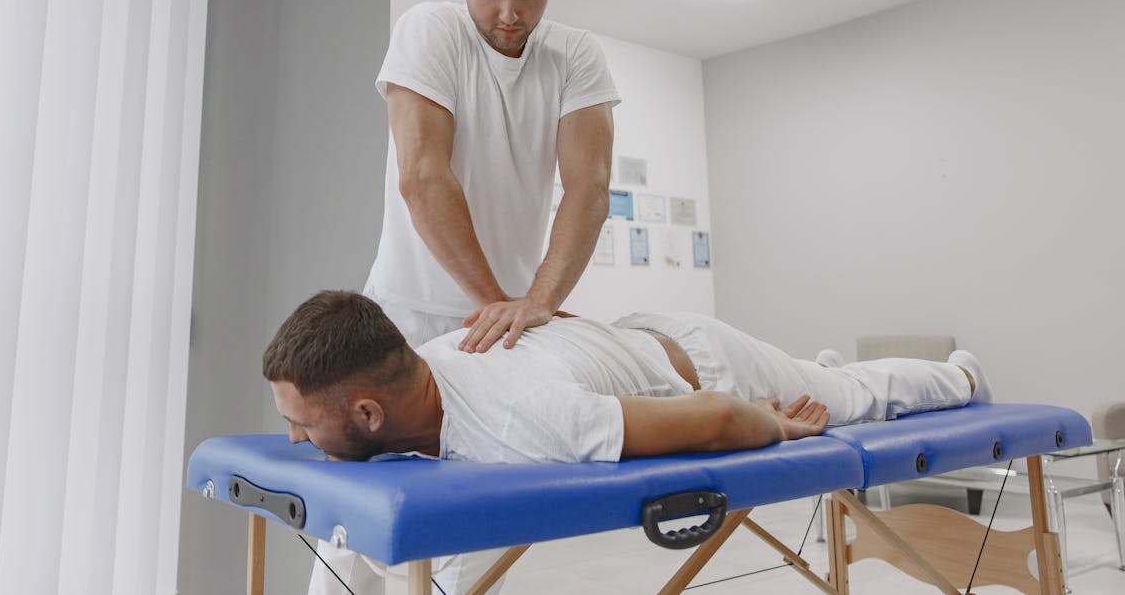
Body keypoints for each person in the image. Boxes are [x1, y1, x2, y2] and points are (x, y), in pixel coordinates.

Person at [264, 290, 992, 465]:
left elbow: (714, 419)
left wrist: (778, 423)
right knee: (822, 378)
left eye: (300, 423)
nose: (293, 438)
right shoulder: (416, 362)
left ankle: (958, 376)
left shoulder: (527, 416)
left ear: (368, 413)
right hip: (628, 340)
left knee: (855, 400)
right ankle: (818, 370)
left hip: (706, 367)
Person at [366, 0, 619, 353]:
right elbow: (422, 178)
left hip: (514, 319)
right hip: (412, 315)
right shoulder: (430, 30)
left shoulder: (577, 54)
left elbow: (590, 188)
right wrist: (499, 308)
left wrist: (537, 303)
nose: (509, 14)